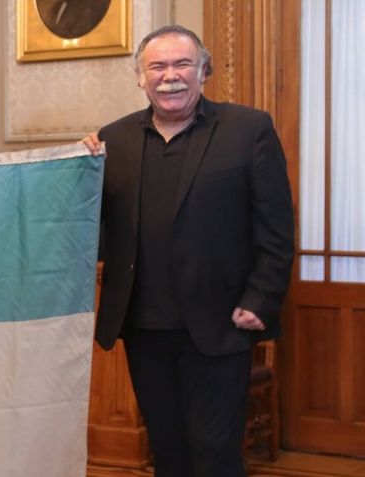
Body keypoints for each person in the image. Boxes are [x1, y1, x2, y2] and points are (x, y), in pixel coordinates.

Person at [82, 25, 294, 477]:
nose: (170, 76)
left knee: (215, 455)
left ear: (204, 71)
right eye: (157, 66)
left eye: (182, 64)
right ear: (140, 77)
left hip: (222, 325)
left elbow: (276, 226)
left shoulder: (248, 129)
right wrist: (78, 170)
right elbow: (86, 226)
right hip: (143, 328)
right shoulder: (112, 140)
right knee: (168, 452)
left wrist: (261, 298)